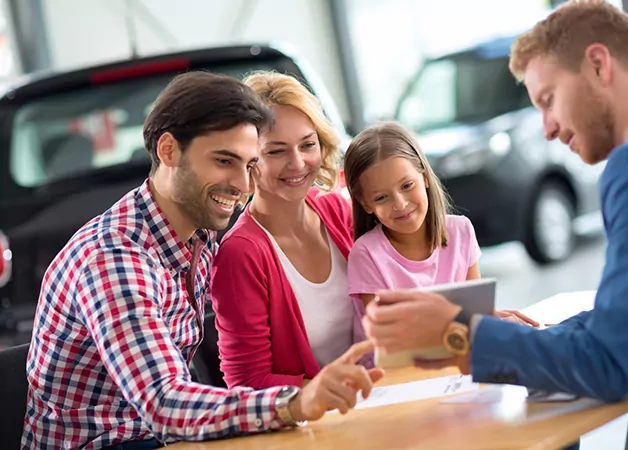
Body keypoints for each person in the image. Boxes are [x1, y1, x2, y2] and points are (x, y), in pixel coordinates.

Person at [362, 1, 628, 449]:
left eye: (548, 100)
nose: (547, 128)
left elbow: (608, 364)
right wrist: (529, 336)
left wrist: (458, 332)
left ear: (598, 64)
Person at [22, 71, 383, 449]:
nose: (243, 186)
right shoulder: (115, 259)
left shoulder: (199, 235)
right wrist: (296, 402)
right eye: (224, 161)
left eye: (248, 165)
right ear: (168, 151)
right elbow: (165, 403)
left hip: (165, 438)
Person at [210, 71, 373, 391]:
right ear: (247, 160)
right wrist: (323, 391)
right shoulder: (241, 253)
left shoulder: (336, 210)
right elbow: (247, 381)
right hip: (313, 422)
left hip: (378, 396)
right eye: (276, 151)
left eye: (307, 144)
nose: (298, 163)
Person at [342, 122, 483, 302]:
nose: (400, 204)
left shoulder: (461, 230)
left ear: (424, 178)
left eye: (407, 185)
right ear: (365, 204)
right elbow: (386, 330)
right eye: (381, 197)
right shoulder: (366, 254)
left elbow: (476, 312)